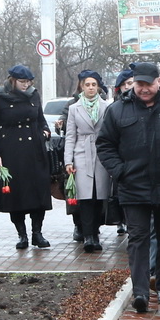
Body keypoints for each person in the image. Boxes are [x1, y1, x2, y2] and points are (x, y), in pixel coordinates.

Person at [97, 61, 160, 313]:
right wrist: (120, 172)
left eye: (148, 84)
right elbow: (105, 145)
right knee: (138, 238)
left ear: (158, 82)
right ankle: (140, 291)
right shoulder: (118, 111)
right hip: (133, 187)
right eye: (139, 84)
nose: (143, 89)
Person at [0, 64, 53, 249]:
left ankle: (37, 233)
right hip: (11, 150)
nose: (26, 85)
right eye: (22, 82)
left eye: (28, 82)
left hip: (35, 149)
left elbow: (40, 118)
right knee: (15, 194)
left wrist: (45, 130)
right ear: (12, 80)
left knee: (38, 191)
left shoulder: (34, 95)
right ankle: (22, 234)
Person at [63, 70, 112, 253]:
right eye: (87, 85)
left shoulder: (106, 106)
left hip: (101, 153)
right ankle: (88, 236)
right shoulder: (75, 108)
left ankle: (96, 232)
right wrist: (68, 160)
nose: (91, 88)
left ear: (98, 86)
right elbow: (70, 136)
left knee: (100, 196)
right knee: (85, 197)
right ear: (81, 87)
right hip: (81, 153)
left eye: (93, 84)